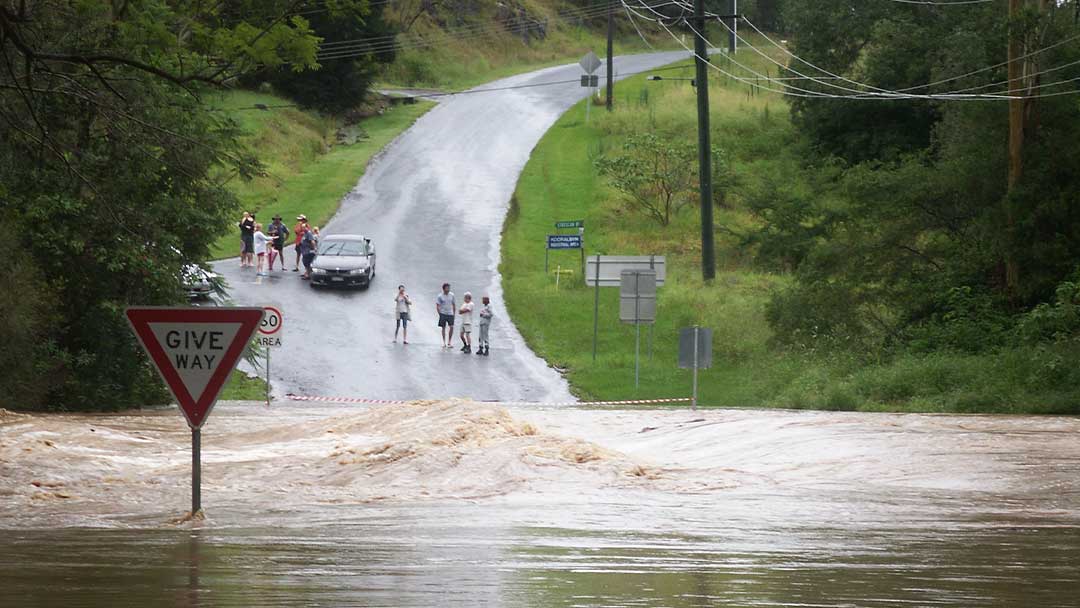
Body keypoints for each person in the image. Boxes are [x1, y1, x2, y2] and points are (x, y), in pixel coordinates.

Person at [435, 283, 456, 348]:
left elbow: (454, 304)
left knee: (451, 327)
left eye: (449, 288)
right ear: (444, 288)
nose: (448, 289)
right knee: (443, 327)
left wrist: (454, 313)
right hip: (443, 313)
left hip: (450, 313)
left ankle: (449, 342)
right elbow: (437, 305)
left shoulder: (452, 295)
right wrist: (440, 313)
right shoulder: (440, 296)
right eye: (447, 288)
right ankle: (444, 342)